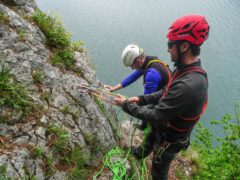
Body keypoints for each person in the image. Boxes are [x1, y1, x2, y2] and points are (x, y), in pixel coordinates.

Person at [114, 14, 210, 179]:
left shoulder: (189, 85)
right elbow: (166, 91)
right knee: (151, 138)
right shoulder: (184, 70)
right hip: (166, 126)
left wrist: (126, 105)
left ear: (184, 46)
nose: (168, 49)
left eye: (170, 45)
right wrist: (141, 99)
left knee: (158, 170)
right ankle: (139, 153)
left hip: (171, 137)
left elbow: (157, 115)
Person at [105, 44, 171, 130]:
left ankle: (145, 128)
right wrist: (114, 88)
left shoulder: (151, 75)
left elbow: (145, 100)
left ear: (138, 61)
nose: (132, 68)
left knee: (146, 110)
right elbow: (133, 76)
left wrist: (124, 104)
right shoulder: (149, 61)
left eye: (131, 65)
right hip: (167, 94)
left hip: (166, 105)